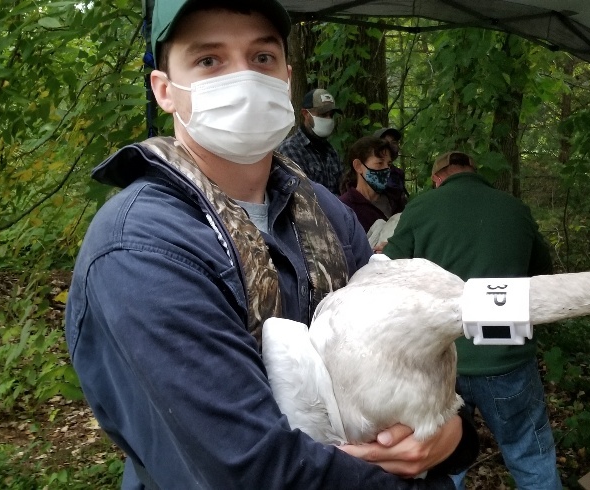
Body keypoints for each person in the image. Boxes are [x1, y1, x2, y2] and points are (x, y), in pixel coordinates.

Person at [64, 1, 475, 488]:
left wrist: (451, 434)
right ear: (164, 91)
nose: (243, 78)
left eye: (262, 58)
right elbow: (248, 469)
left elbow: (407, 345)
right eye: (208, 60)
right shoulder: (142, 248)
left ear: (286, 79)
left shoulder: (324, 210)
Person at [384, 151, 563, 490]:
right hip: (506, 357)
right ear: (474, 172)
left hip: (440, 363)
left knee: (443, 464)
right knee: (531, 457)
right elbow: (543, 277)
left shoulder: (421, 208)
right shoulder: (514, 208)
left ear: (438, 178)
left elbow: (386, 273)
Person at [338, 136, 405, 242]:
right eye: (379, 163)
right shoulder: (344, 207)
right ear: (358, 166)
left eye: (389, 164)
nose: (386, 169)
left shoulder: (396, 200)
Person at [277, 88, 344, 194]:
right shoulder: (291, 149)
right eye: (322, 114)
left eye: (331, 115)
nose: (328, 119)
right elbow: (301, 197)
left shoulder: (331, 152)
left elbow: (342, 189)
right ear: (305, 113)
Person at [374, 126, 409, 210]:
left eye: (394, 142)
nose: (390, 146)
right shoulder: (369, 172)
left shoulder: (398, 173)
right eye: (385, 142)